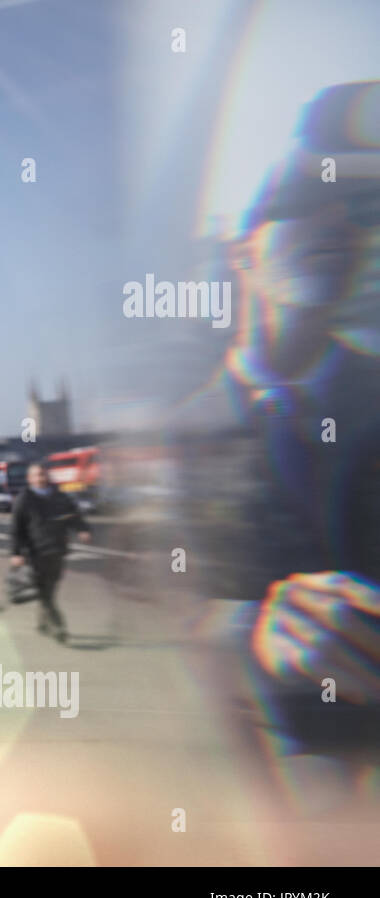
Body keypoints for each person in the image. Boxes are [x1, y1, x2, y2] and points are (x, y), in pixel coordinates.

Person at [166, 82, 380, 753]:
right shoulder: (182, 436)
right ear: (242, 249)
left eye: (356, 210)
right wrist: (254, 629)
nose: (339, 228)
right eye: (308, 202)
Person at [9, 462, 91, 642]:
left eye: (43, 474)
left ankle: (43, 622)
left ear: (48, 476)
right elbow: (17, 529)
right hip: (35, 553)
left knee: (50, 591)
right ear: (30, 479)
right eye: (37, 475)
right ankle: (59, 627)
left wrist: (82, 529)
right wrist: (16, 553)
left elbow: (74, 515)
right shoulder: (24, 500)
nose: (40, 478)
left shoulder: (59, 497)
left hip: (57, 552)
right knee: (44, 592)